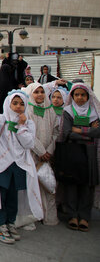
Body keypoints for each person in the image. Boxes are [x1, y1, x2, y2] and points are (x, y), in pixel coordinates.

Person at [0, 91, 42, 244]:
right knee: (1, 195)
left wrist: (21, 126)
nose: (18, 107)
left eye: (22, 104)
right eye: (15, 103)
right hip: (3, 163)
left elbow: (29, 143)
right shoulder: (1, 119)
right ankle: (0, 225)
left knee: (13, 196)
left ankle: (10, 222)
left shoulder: (28, 122)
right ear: (8, 104)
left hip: (19, 163)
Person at [60, 84, 100, 232]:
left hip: (90, 152)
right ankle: (72, 215)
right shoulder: (68, 111)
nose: (80, 98)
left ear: (88, 97)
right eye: (76, 95)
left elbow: (98, 133)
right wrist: (90, 130)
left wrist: (80, 130)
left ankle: (84, 216)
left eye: (83, 95)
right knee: (72, 183)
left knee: (87, 186)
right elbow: (67, 133)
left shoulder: (95, 112)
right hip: (73, 151)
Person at [25, 83, 59, 226]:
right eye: (36, 92)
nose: (39, 95)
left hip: (47, 156)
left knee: (47, 184)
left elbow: (56, 132)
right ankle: (33, 216)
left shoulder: (50, 110)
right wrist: (41, 151)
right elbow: (27, 133)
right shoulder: (28, 109)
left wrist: (49, 151)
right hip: (33, 154)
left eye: (42, 92)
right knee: (32, 185)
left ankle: (48, 216)